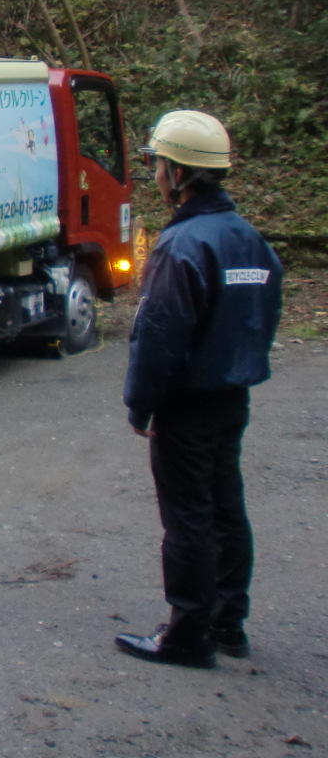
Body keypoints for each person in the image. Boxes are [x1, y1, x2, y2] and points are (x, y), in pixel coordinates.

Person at [116, 110, 283, 669]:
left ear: (179, 173)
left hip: (187, 403)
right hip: (231, 397)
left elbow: (159, 333)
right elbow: (265, 311)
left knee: (187, 517)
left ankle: (188, 633)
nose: (155, 174)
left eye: (158, 164)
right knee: (226, 506)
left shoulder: (183, 243)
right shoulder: (248, 239)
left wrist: (142, 404)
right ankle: (228, 623)